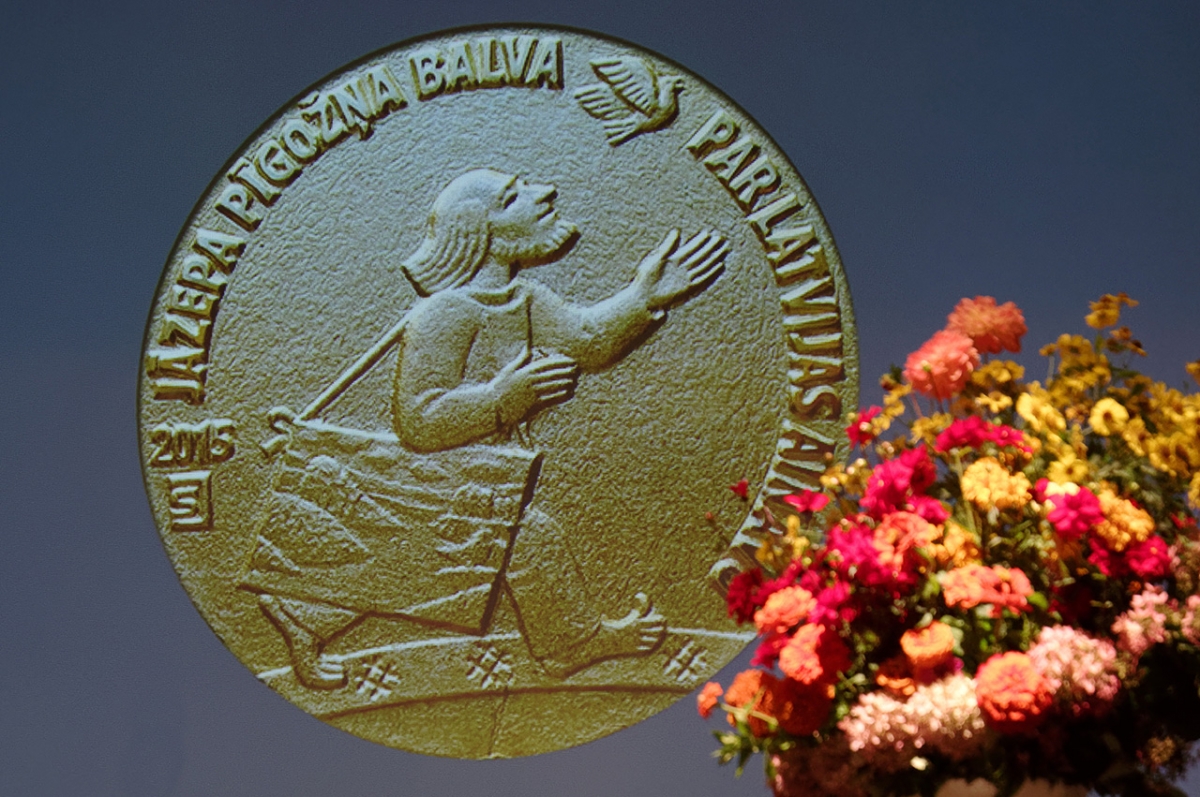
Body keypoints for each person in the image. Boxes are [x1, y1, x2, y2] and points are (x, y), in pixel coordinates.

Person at [244, 168, 727, 689]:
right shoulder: (444, 313)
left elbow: (588, 340)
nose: (544, 192)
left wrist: (645, 296)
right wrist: (503, 398)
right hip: (442, 467)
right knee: (517, 542)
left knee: (430, 555)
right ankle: (570, 645)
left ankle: (304, 616)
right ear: (479, 231)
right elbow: (418, 420)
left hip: (491, 469)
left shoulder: (525, 300)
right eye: (513, 196)